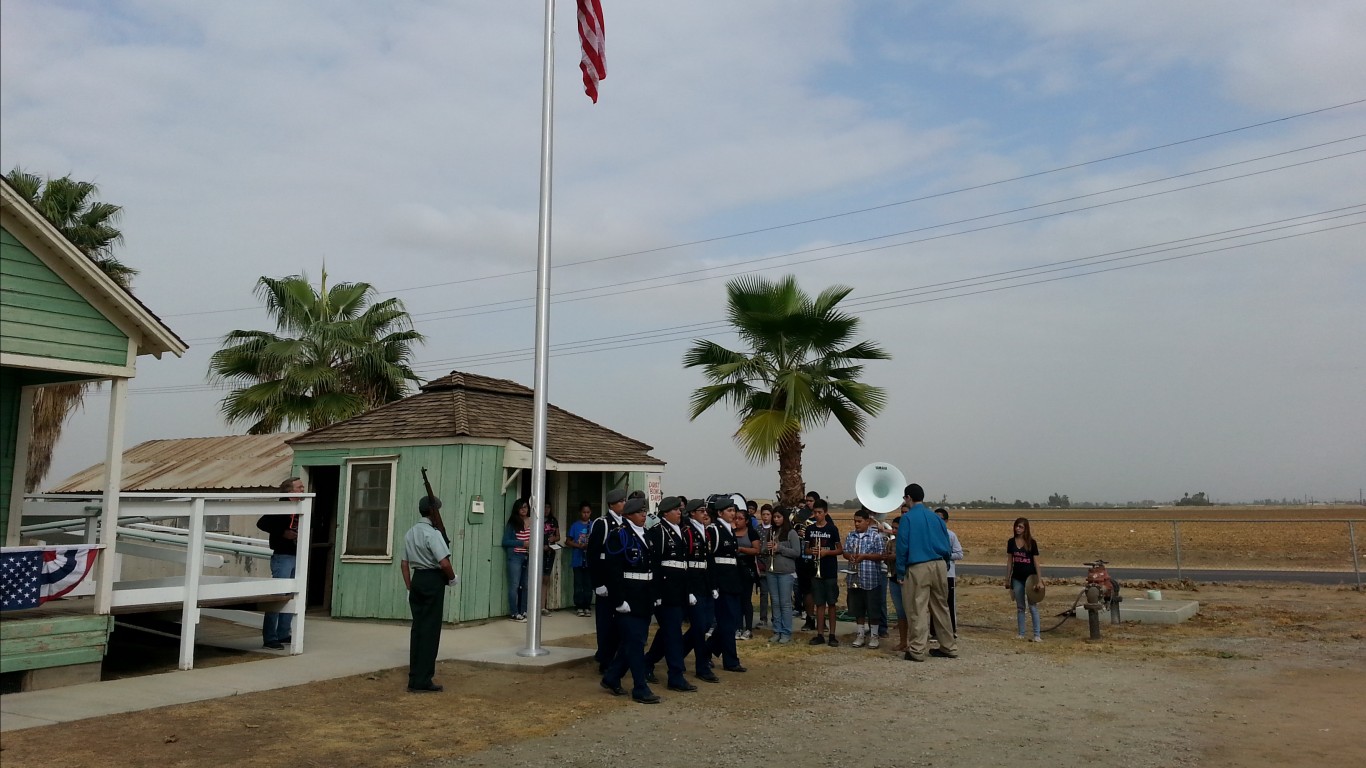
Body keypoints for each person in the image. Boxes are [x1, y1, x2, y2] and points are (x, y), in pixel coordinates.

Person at [600, 497, 661, 704]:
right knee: (636, 644)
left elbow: (652, 569)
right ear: (627, 516)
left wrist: (655, 596)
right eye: (638, 512)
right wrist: (618, 600)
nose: (643, 515)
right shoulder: (620, 535)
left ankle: (611, 677)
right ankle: (640, 687)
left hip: (644, 597)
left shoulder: (646, 536)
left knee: (632, 643)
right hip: (628, 598)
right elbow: (613, 572)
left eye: (644, 512)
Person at [400, 495, 458, 693]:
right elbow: (444, 562)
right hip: (433, 580)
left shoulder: (410, 533)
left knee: (418, 629)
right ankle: (423, 679)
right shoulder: (432, 534)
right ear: (433, 512)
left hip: (417, 580)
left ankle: (414, 677)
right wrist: (452, 578)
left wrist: (409, 586)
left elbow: (404, 564)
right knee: (430, 631)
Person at [894, 483, 958, 662]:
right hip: (938, 565)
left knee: (917, 608)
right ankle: (949, 646)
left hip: (918, 566)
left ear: (908, 498)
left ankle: (917, 649)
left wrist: (900, 572)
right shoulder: (936, 518)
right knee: (941, 607)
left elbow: (902, 546)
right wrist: (944, 563)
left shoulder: (907, 519)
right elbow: (946, 543)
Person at [644, 496, 696, 692]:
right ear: (666, 513)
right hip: (666, 591)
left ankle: (647, 662)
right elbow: (655, 564)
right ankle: (676, 675)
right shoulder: (659, 532)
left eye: (680, 510)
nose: (679, 513)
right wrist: (656, 593)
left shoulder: (680, 531)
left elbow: (684, 565)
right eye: (675, 510)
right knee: (673, 634)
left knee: (667, 632)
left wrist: (689, 591)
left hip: (679, 589)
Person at [259, 476, 305, 650]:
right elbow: (262, 523)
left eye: (303, 487)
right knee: (278, 596)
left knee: (292, 596)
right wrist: (283, 532)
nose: (302, 489)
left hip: (297, 554)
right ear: (289, 491)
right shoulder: (281, 506)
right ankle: (270, 637)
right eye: (299, 487)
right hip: (283, 555)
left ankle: (283, 633)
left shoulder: (302, 505)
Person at [588, 488, 628, 672]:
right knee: (605, 622)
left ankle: (616, 655)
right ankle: (605, 659)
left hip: (620, 578)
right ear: (612, 504)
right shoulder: (603, 523)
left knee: (620, 622)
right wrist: (597, 583)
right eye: (621, 501)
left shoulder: (626, 522)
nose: (624, 504)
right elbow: (593, 555)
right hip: (605, 579)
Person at [680, 498, 719, 683]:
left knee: (702, 626)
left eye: (706, 511)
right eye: (701, 511)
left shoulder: (706, 533)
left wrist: (713, 586)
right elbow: (684, 565)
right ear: (692, 513)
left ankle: (677, 653)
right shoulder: (687, 532)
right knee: (698, 628)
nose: (705, 514)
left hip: (705, 584)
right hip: (693, 585)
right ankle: (701, 667)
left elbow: (709, 561)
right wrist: (688, 590)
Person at [706, 497, 747, 673]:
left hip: (732, 583)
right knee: (727, 623)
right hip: (721, 584)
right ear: (720, 512)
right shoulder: (714, 530)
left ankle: (707, 650)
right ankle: (731, 660)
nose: (733, 514)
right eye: (729, 511)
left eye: (734, 511)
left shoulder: (730, 530)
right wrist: (713, 585)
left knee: (729, 623)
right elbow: (710, 559)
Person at [842, 508, 887, 649]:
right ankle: (860, 634)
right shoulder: (851, 536)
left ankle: (874, 635)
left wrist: (865, 556)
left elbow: (881, 556)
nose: (856, 524)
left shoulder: (875, 537)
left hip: (871, 578)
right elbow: (845, 552)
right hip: (855, 578)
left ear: (867, 522)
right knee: (858, 608)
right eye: (855, 521)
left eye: (859, 521)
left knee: (873, 608)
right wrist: (850, 556)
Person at [804, 499, 843, 647]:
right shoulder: (810, 529)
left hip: (829, 570)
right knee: (819, 603)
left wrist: (827, 552)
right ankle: (819, 634)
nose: (817, 515)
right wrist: (812, 551)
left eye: (820, 512)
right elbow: (806, 549)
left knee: (831, 603)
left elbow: (840, 549)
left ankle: (832, 635)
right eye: (815, 513)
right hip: (816, 570)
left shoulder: (832, 529)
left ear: (825, 513)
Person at [762, 507, 802, 643]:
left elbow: (797, 552)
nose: (776, 519)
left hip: (786, 572)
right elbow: (762, 550)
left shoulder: (791, 533)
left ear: (784, 518)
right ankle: (777, 630)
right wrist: (767, 549)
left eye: (779, 517)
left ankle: (786, 632)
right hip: (771, 571)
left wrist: (780, 548)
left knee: (785, 603)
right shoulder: (770, 531)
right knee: (775, 602)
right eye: (775, 517)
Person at [1006, 517, 1044, 642]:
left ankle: (1037, 634)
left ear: (1025, 528)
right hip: (1017, 578)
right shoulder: (1011, 542)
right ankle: (1021, 633)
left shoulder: (1031, 543)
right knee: (1020, 607)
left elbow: (1036, 562)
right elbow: (1010, 562)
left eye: (1021, 527)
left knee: (1032, 606)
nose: (1018, 529)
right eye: (1016, 526)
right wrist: (1007, 579)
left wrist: (1039, 580)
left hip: (1030, 579)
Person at [501, 498, 532, 621]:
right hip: (515, 556)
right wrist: (521, 543)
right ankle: (514, 612)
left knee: (525, 585)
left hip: (528, 556)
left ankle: (524, 610)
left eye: (525, 507)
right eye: (521, 507)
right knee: (514, 585)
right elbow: (505, 541)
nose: (524, 509)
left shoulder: (532, 521)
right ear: (517, 509)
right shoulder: (512, 523)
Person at [936, 508, 964, 638]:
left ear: (946, 521)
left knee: (948, 603)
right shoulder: (930, 535)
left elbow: (959, 554)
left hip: (948, 574)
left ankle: (951, 630)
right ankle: (934, 631)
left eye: (940, 519)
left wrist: (946, 556)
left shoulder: (951, 535)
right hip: (934, 573)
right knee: (934, 604)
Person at [564, 502, 594, 617]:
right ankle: (579, 606)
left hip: (589, 560)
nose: (585, 515)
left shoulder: (593, 525)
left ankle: (587, 605)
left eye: (588, 512)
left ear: (590, 512)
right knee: (578, 584)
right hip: (577, 559)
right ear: (580, 513)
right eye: (583, 512)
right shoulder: (575, 526)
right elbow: (568, 540)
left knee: (588, 584)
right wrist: (578, 546)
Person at [733, 509, 759, 641]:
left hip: (747, 569)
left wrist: (742, 549)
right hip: (734, 569)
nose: (737, 521)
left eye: (740, 518)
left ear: (747, 521)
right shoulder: (732, 533)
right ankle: (737, 627)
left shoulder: (752, 533)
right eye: (735, 518)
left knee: (746, 599)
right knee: (736, 599)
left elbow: (756, 550)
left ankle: (748, 628)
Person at [795, 491, 820, 631]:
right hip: (803, 560)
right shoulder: (802, 515)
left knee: (820, 591)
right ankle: (810, 619)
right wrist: (799, 532)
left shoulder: (824, 517)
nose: (808, 503)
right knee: (806, 591)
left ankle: (822, 620)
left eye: (810, 501)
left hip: (818, 560)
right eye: (807, 501)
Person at [540, 501, 560, 616]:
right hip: (538, 553)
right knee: (535, 578)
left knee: (545, 579)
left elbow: (558, 536)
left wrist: (554, 539)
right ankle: (532, 606)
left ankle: (543, 606)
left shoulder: (553, 521)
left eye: (548, 507)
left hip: (550, 553)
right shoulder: (535, 519)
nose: (546, 509)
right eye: (544, 506)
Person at [755, 504, 773, 629]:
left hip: (773, 562)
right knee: (764, 593)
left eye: (768, 514)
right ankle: (763, 618)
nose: (765, 517)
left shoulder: (775, 529)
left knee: (774, 594)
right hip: (761, 563)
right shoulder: (757, 529)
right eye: (763, 515)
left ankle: (775, 618)